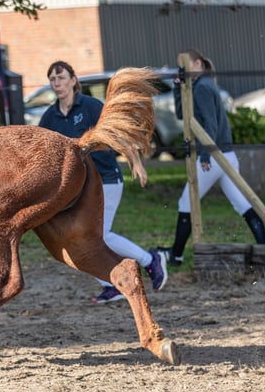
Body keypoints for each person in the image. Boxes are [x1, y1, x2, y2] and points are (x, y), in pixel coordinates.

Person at [38, 61, 168, 303]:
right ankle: (112, 283)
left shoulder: (90, 106)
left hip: (106, 178)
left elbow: (118, 131)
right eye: (53, 80)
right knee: (76, 240)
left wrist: (136, 162)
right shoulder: (50, 117)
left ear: (74, 81)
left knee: (100, 236)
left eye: (61, 78)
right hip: (75, 189)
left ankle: (151, 260)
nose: (57, 84)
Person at [161, 48, 265, 267]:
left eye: (186, 66)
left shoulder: (202, 87)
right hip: (223, 155)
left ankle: (177, 255)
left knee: (186, 202)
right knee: (242, 204)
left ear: (198, 64)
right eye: (180, 67)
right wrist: (176, 86)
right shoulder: (199, 85)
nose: (183, 70)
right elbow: (183, 114)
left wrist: (204, 154)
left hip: (213, 155)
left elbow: (210, 124)